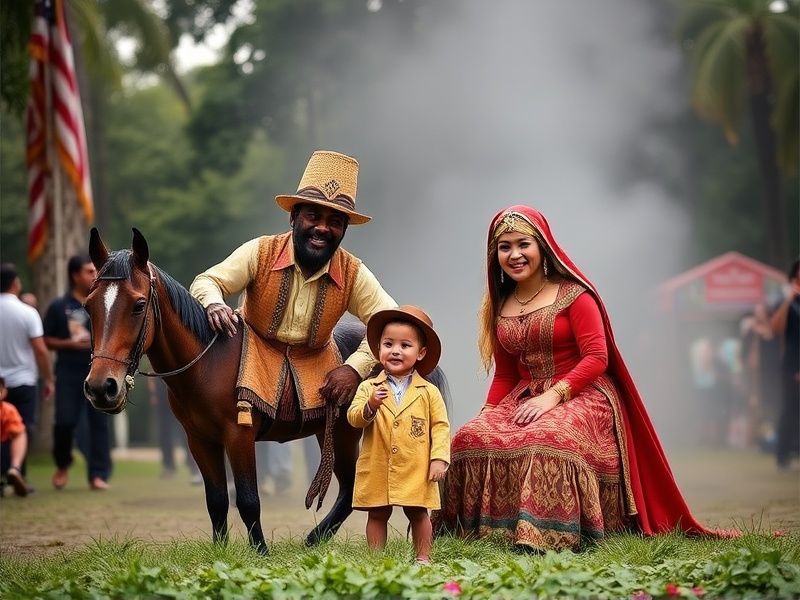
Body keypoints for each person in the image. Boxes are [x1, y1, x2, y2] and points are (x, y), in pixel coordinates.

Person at [436, 206, 721, 552]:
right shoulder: (501, 304)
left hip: (583, 391)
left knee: (546, 437)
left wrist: (553, 396)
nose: (514, 255)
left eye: (523, 244)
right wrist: (488, 412)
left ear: (542, 246)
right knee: (468, 437)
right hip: (524, 395)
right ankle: (472, 534)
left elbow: (597, 358)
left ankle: (546, 537)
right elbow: (506, 373)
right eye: (504, 247)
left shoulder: (575, 295)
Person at [189, 150, 396, 497]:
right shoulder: (260, 251)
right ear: (293, 217)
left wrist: (354, 369)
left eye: (335, 221)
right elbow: (208, 280)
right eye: (313, 215)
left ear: (344, 230)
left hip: (318, 363)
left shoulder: (353, 271)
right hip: (251, 356)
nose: (322, 228)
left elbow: (389, 322)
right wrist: (214, 304)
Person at [347, 305, 450, 564]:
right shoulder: (368, 387)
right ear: (378, 349)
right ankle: (376, 560)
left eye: (405, 345)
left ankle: (423, 558)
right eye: (388, 344)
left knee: (418, 512)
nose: (395, 351)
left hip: (415, 465)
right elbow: (353, 418)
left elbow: (440, 426)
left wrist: (439, 458)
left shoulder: (428, 392)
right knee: (377, 513)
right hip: (378, 462)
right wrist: (371, 406)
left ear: (420, 353)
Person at [44, 255, 112, 491]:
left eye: (95, 271)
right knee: (64, 422)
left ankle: (98, 475)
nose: (95, 275)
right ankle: (63, 464)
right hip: (68, 372)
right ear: (75, 275)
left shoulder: (104, 302)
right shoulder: (58, 306)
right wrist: (69, 344)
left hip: (97, 370)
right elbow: (46, 339)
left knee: (98, 424)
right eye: (88, 271)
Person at [0, 263, 54, 489]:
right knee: (21, 429)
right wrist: (48, 378)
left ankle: (4, 477)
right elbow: (40, 350)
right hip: (23, 380)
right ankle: (16, 470)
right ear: (15, 283)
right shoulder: (27, 312)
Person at [770, 259, 800, 470]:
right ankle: (783, 458)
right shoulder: (787, 300)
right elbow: (775, 328)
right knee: (789, 410)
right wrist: (789, 299)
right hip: (791, 364)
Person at [147, 377, 201, 483]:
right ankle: (168, 466)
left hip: (176, 388)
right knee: (164, 432)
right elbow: (151, 372)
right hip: (161, 390)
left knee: (185, 430)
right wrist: (153, 393)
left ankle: (193, 465)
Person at [0, 377, 33, 497]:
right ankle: (15, 468)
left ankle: (14, 470)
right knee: (20, 433)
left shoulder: (7, 410)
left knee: (19, 432)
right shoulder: (7, 410)